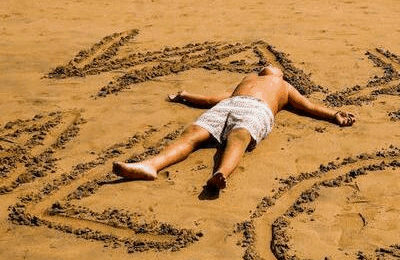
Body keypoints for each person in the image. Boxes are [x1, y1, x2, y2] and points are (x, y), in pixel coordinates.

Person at [111, 65, 356, 191]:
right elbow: (215, 98)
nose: (269, 65)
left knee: (239, 136)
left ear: (281, 74)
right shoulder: (248, 79)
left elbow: (308, 106)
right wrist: (186, 95)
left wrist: (333, 114)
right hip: (229, 105)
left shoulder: (284, 86)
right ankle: (150, 166)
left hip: (258, 109)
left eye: (274, 67)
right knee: (193, 133)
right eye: (266, 65)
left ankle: (221, 174)